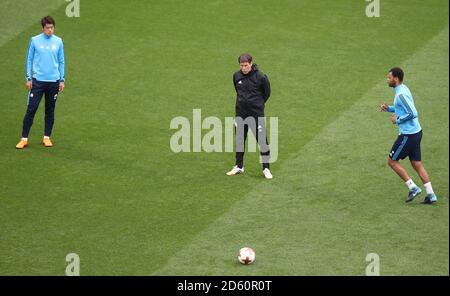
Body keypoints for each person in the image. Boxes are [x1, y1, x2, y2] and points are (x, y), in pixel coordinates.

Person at [380, 67, 437, 204]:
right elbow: (402, 108)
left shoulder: (401, 94)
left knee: (392, 161)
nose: (388, 80)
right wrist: (390, 109)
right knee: (416, 164)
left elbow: (413, 112)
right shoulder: (403, 89)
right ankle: (431, 194)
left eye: (389, 78)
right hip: (416, 132)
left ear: (396, 78)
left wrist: (397, 120)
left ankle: (413, 188)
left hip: (408, 135)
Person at [15, 16, 65, 149]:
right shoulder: (35, 40)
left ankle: (47, 137)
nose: (50, 30)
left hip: (53, 81)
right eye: (47, 28)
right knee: (31, 109)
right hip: (37, 82)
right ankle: (24, 139)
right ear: (43, 28)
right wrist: (28, 78)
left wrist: (62, 80)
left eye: (52, 27)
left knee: (50, 110)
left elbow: (61, 61)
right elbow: (29, 59)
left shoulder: (58, 41)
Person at [226, 53, 273, 179]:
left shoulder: (261, 77)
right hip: (241, 114)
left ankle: (266, 168)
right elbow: (238, 91)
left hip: (256, 114)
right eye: (241, 65)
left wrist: (257, 105)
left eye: (246, 65)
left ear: (251, 64)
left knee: (262, 141)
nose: (243, 68)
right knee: (240, 140)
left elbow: (267, 93)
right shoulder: (236, 76)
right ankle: (239, 166)